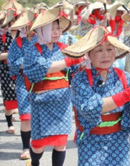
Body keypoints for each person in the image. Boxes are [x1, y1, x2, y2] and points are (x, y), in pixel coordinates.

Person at [62, 26, 130, 166]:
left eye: (109, 49)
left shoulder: (125, 77)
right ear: (88, 54)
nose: (105, 54)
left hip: (119, 141)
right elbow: (90, 108)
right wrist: (126, 96)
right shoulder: (80, 79)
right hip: (90, 142)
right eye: (99, 50)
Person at [23, 7, 82, 166]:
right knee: (38, 144)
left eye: (58, 28)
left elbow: (72, 71)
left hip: (62, 100)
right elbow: (40, 69)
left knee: (61, 141)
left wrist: (81, 63)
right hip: (41, 101)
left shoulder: (64, 49)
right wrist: (68, 62)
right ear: (42, 30)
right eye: (52, 29)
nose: (57, 32)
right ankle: (34, 162)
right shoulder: (32, 49)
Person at [8, 8, 37, 160]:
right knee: (26, 116)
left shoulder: (43, 41)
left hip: (41, 83)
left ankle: (36, 144)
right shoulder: (17, 42)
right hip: (23, 83)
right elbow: (13, 64)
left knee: (39, 116)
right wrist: (32, 63)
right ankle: (26, 147)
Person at [0, 6, 21, 134]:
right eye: (2, 23)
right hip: (4, 70)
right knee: (8, 95)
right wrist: (11, 54)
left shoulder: (15, 34)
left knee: (21, 93)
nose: (5, 26)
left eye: (7, 23)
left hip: (18, 68)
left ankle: (23, 117)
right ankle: (10, 124)